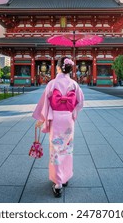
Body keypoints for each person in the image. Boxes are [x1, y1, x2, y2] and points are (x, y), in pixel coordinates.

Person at [32, 57, 84, 198]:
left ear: (59, 68)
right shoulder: (74, 84)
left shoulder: (52, 83)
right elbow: (80, 102)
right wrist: (72, 111)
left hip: (55, 118)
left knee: (55, 149)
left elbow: (45, 103)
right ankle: (65, 177)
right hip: (67, 119)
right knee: (67, 148)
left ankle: (58, 183)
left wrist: (42, 119)